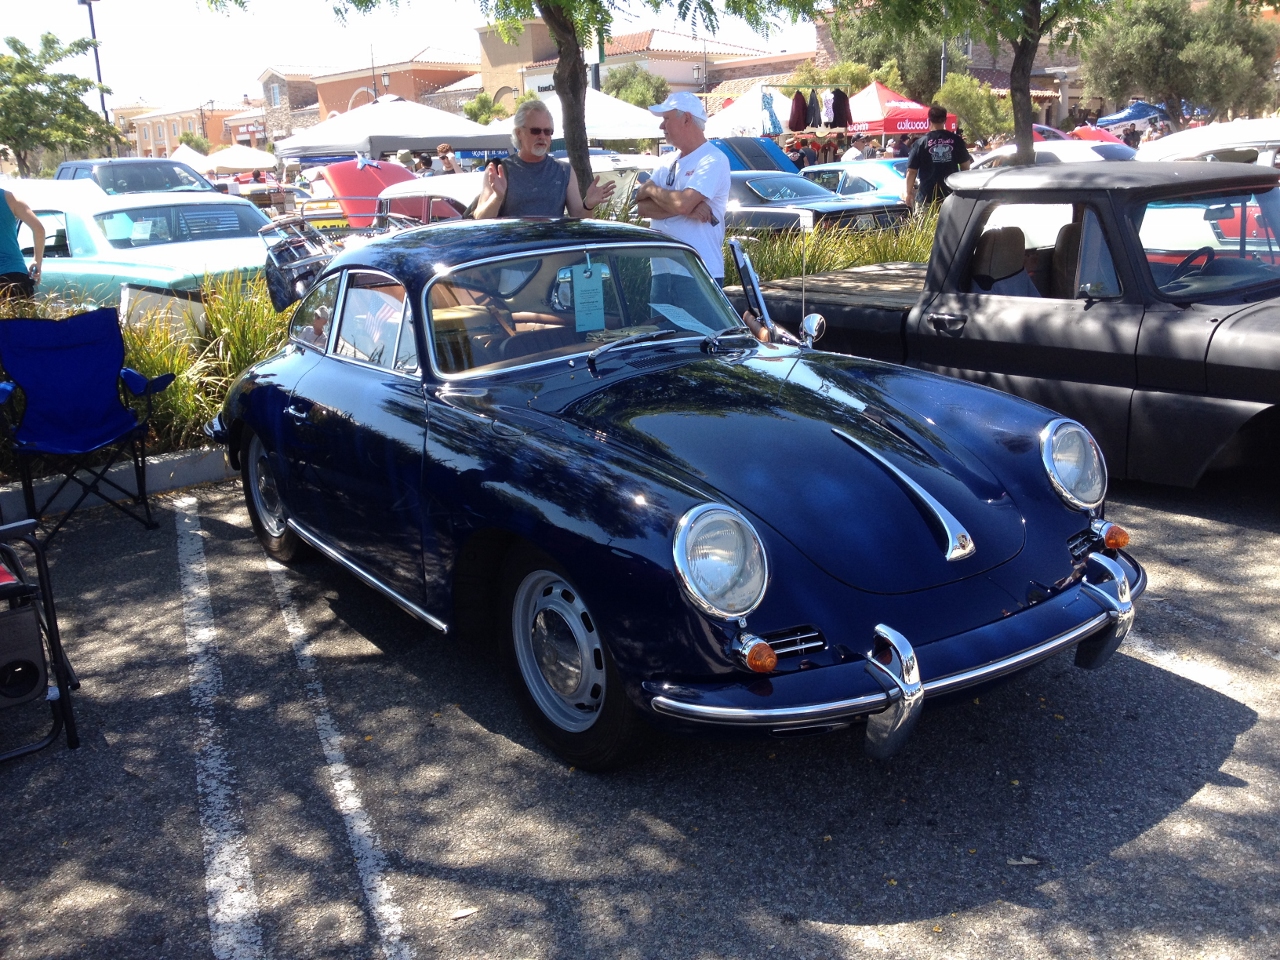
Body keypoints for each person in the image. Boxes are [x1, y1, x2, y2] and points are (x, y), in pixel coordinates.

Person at [473, 99, 614, 219]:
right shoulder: (499, 170)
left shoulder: (564, 171)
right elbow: (479, 219)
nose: (542, 136)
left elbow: (579, 219)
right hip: (514, 251)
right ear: (519, 133)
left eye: (547, 132)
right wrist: (497, 198)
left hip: (551, 250)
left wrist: (588, 205)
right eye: (535, 131)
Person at [904, 104, 972, 210]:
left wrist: (908, 193)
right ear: (945, 120)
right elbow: (965, 166)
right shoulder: (956, 140)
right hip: (951, 196)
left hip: (926, 198)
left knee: (926, 227)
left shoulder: (921, 143)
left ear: (929, 120)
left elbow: (911, 171)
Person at [0, 187, 43, 301]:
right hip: (16, 276)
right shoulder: (10, 198)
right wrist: (37, 261)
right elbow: (39, 229)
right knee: (24, 319)